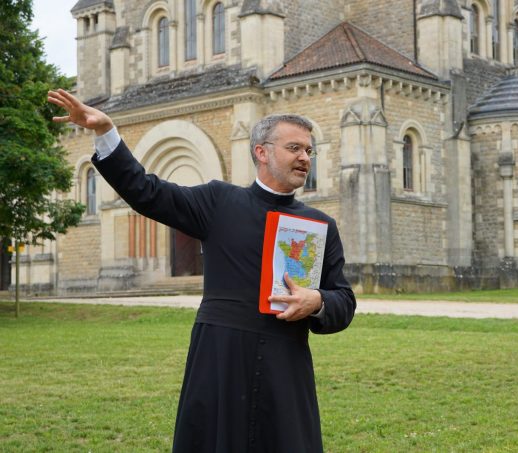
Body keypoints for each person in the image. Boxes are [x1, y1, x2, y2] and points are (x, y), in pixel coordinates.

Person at [47, 89, 356, 452]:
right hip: (219, 360)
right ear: (262, 151)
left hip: (285, 366)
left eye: (309, 150)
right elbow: (146, 191)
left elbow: (343, 301)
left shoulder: (320, 225)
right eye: (294, 148)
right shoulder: (218, 201)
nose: (305, 157)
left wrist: (317, 301)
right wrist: (106, 133)